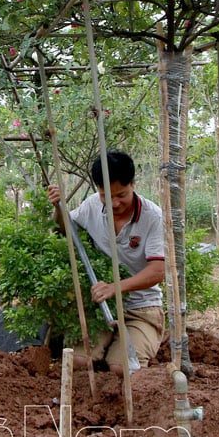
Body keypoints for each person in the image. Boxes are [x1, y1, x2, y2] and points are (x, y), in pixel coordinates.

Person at [46, 150, 167, 375]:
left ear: (133, 183)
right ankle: (107, 342)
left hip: (141, 308)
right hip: (101, 307)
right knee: (79, 362)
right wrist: (58, 207)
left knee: (123, 369)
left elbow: (158, 271)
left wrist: (114, 288)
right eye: (105, 196)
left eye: (121, 195)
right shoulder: (91, 206)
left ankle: (140, 337)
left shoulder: (153, 217)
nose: (114, 203)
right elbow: (66, 230)